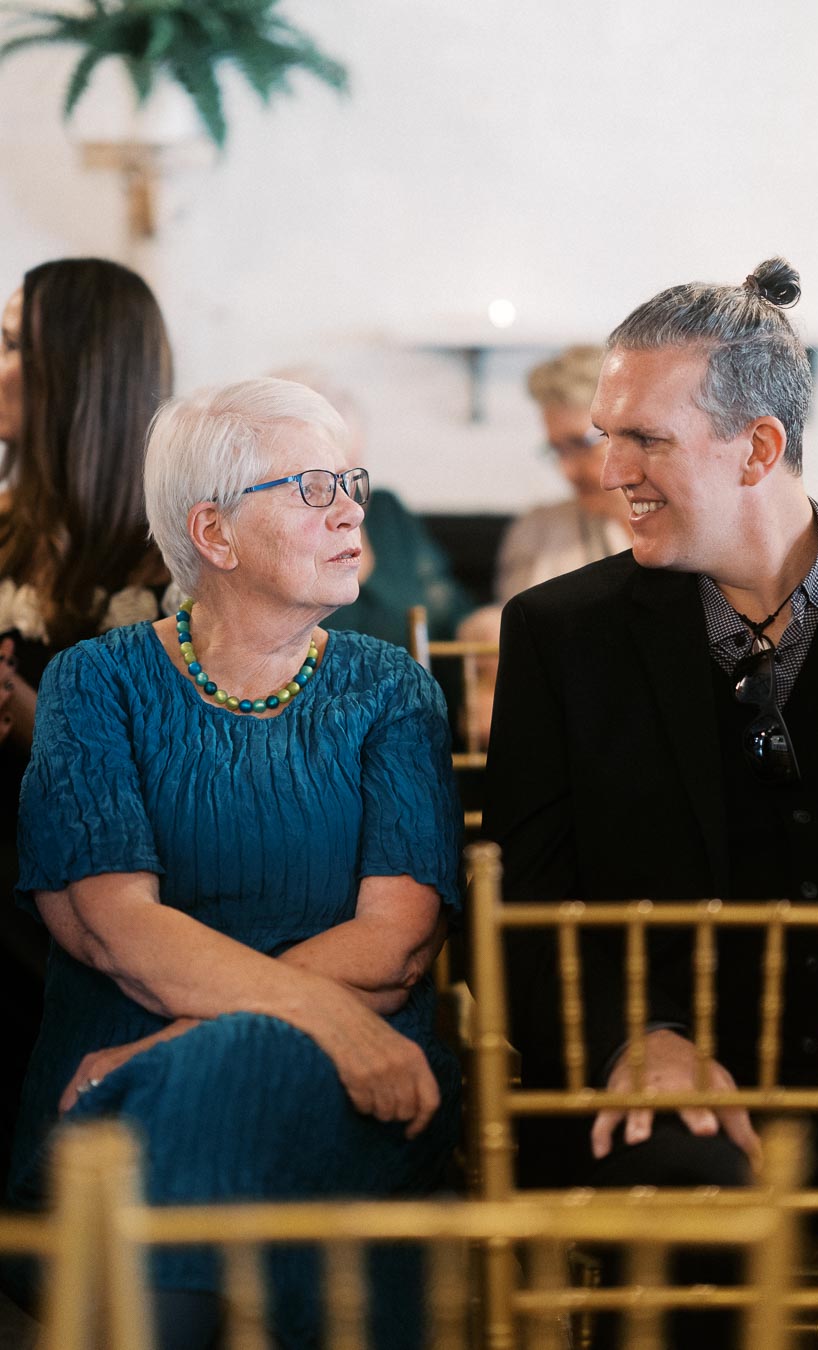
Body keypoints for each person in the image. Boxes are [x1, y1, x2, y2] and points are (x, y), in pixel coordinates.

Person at [483, 259, 818, 1339]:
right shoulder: (558, 637)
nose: (607, 467)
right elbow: (528, 908)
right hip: (675, 1090)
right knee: (672, 1201)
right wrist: (635, 1038)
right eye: (602, 432)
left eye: (646, 440)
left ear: (760, 447)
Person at [9, 377, 462, 1350]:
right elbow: (122, 930)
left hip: (331, 1088)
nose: (351, 510)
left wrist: (175, 1047)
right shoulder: (97, 681)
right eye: (310, 488)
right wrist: (312, 1013)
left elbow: (394, 944)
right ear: (212, 534)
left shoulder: (393, 689)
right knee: (227, 1078)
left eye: (351, 480)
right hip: (127, 1077)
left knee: (228, 1068)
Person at [0, 257, 173, 1183]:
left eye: (12, 344)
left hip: (116, 875)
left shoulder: (176, 559)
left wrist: (29, 715)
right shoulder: (2, 532)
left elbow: (193, 773)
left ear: (80, 369)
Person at [270, 368, 473, 649]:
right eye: (318, 484)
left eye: (349, 474)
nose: (346, 503)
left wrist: (479, 625)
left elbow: (450, 608)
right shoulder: (280, 541)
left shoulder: (386, 512)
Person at [494, 344, 632, 602]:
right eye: (557, 450)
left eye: (581, 444)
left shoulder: (695, 532)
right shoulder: (538, 532)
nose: (566, 471)